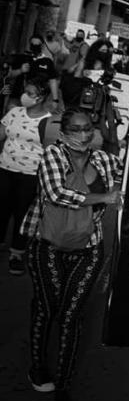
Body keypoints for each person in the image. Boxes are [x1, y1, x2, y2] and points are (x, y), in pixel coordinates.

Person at [21, 109, 123, 401]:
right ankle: (38, 365)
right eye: (76, 129)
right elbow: (55, 194)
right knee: (47, 306)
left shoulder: (104, 161)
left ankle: (63, 386)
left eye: (88, 128)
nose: (83, 134)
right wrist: (103, 198)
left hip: (88, 247)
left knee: (71, 315)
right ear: (63, 131)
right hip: (47, 244)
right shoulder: (52, 154)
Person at [0, 81, 53, 274]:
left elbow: (50, 151)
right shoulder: (14, 113)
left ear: (40, 97)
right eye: (25, 92)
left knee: (22, 214)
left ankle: (16, 253)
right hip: (5, 168)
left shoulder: (48, 121)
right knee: (2, 208)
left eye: (30, 93)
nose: (25, 96)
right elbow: (1, 134)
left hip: (30, 175)